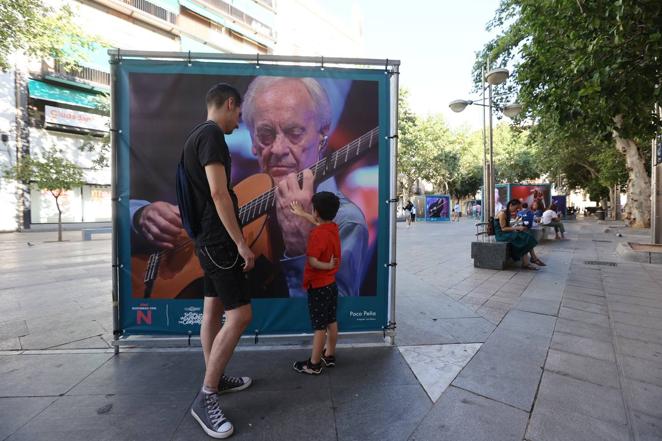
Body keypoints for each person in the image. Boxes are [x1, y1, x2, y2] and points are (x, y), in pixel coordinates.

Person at [242, 76, 368, 298]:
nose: (278, 149)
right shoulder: (241, 196)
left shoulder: (344, 221)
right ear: (253, 141)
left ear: (322, 135)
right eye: (265, 135)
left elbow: (335, 316)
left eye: (295, 133)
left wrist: (302, 250)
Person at [186, 84, 255, 439]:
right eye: (239, 114)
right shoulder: (212, 136)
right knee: (241, 315)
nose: (239, 123)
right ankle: (207, 395)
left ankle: (216, 376)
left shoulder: (197, 135)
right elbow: (217, 192)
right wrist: (241, 243)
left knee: (213, 311)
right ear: (230, 104)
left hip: (207, 239)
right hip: (219, 240)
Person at [289, 192, 341, 375]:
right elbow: (319, 222)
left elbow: (312, 261)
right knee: (331, 321)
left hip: (318, 286)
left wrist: (326, 265)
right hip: (331, 285)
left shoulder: (317, 235)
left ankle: (314, 364)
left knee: (319, 327)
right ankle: (330, 355)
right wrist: (302, 213)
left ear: (316, 211)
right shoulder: (332, 228)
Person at [494, 199, 545, 270]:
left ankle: (529, 261)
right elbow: (503, 228)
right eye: (516, 208)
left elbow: (506, 227)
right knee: (524, 238)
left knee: (525, 236)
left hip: (506, 233)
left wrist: (516, 228)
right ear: (511, 205)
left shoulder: (506, 213)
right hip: (501, 236)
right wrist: (517, 228)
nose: (516, 210)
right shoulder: (502, 214)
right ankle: (531, 259)